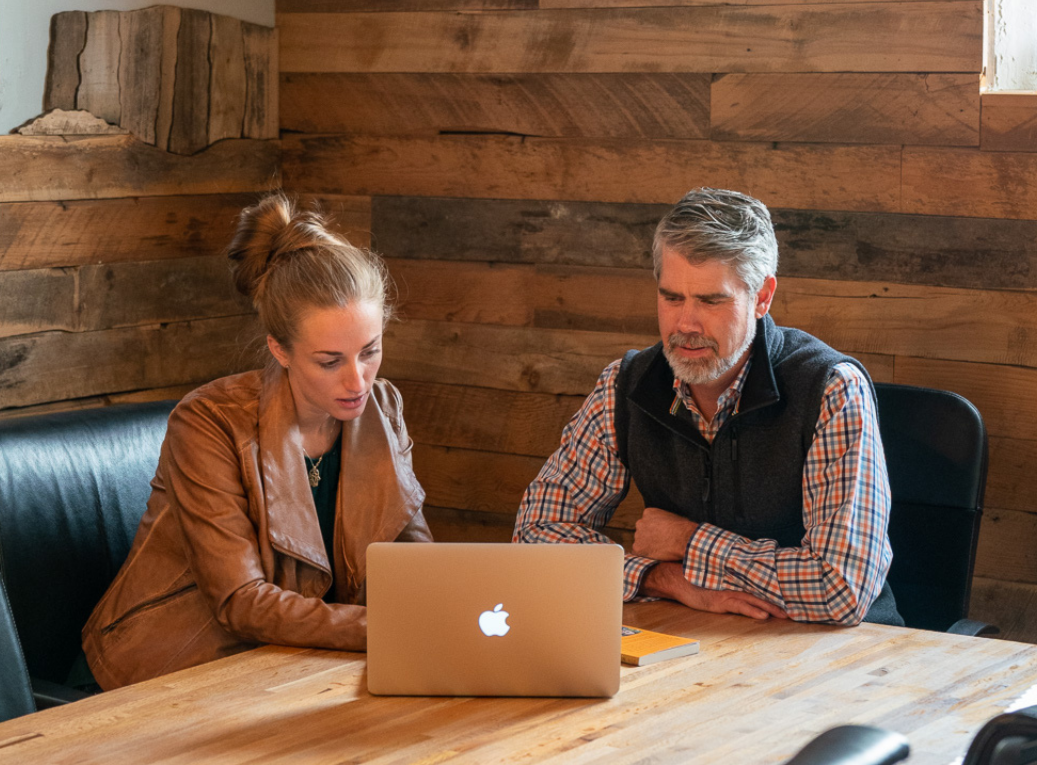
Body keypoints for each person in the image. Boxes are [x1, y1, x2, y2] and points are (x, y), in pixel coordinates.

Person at [82, 193, 431, 690]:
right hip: (170, 672)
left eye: (369, 351)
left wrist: (450, 615)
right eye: (330, 361)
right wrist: (392, 628)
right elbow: (241, 602)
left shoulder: (383, 407)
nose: (358, 381)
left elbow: (412, 563)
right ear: (279, 349)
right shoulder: (208, 422)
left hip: (296, 668)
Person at [514, 187, 901, 626]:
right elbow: (535, 537)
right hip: (698, 641)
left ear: (762, 297)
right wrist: (662, 578)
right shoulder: (626, 385)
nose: (685, 324)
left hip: (838, 660)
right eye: (671, 298)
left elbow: (840, 588)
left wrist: (688, 541)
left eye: (711, 301)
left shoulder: (832, 390)